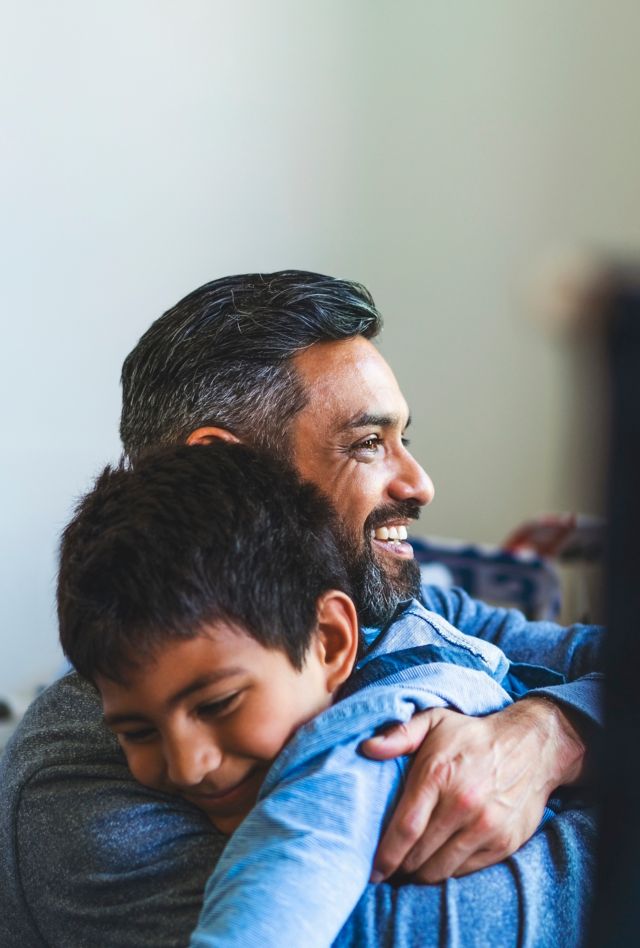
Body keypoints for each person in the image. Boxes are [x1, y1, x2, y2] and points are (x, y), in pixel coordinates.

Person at [0, 271, 602, 947]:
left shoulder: (395, 610)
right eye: (368, 442)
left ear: (333, 638)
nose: (419, 482)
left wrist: (552, 734)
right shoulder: (78, 789)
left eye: (404, 438)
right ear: (228, 467)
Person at [57, 441, 561, 948]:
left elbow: (284, 881)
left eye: (217, 704)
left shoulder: (364, 744)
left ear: (331, 641)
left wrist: (559, 731)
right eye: (137, 731)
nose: (188, 766)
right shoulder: (62, 783)